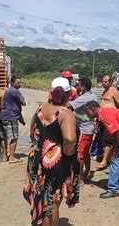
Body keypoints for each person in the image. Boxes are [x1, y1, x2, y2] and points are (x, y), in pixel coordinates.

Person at [23, 77, 79, 225]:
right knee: (53, 203)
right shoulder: (65, 113)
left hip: (38, 160)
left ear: (51, 93)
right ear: (68, 94)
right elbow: (70, 139)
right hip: (56, 163)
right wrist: (67, 153)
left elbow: (32, 133)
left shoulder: (40, 109)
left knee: (42, 198)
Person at [85, 101, 119, 199]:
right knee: (116, 159)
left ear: (92, 109)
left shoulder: (105, 115)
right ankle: (114, 183)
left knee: (116, 160)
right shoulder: (101, 114)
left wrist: (114, 148)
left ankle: (113, 189)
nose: (86, 114)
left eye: (87, 111)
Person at [68, 76, 97, 183]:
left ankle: (79, 179)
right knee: (86, 153)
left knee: (80, 155)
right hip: (88, 128)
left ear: (83, 87)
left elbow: (68, 106)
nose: (77, 87)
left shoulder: (84, 98)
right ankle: (87, 172)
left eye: (79, 85)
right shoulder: (92, 95)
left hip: (84, 129)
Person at [96, 75, 119, 170]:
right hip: (102, 120)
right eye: (103, 81)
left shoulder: (114, 92)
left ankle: (104, 161)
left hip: (110, 120)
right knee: (102, 139)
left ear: (111, 82)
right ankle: (107, 158)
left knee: (108, 140)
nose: (103, 83)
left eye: (105, 82)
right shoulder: (104, 91)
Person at [0, 75, 26, 164]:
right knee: (14, 137)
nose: (20, 84)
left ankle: (4, 156)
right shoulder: (15, 91)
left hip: (3, 116)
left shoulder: (8, 91)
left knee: (4, 137)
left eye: (20, 82)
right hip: (11, 117)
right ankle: (12, 157)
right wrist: (21, 97)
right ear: (13, 83)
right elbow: (24, 103)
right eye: (18, 83)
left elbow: (13, 105)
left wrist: (21, 118)